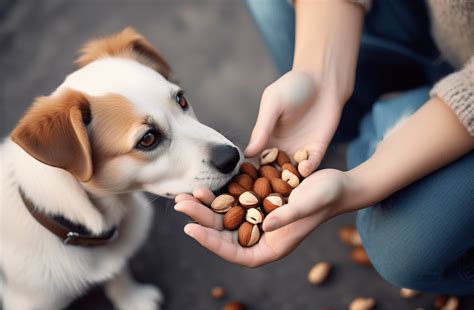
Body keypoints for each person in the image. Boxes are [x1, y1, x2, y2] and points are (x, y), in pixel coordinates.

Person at [174, 0, 474, 294]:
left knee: (401, 250)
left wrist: (358, 184)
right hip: (438, 23)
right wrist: (318, 76)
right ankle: (368, 118)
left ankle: (383, 123)